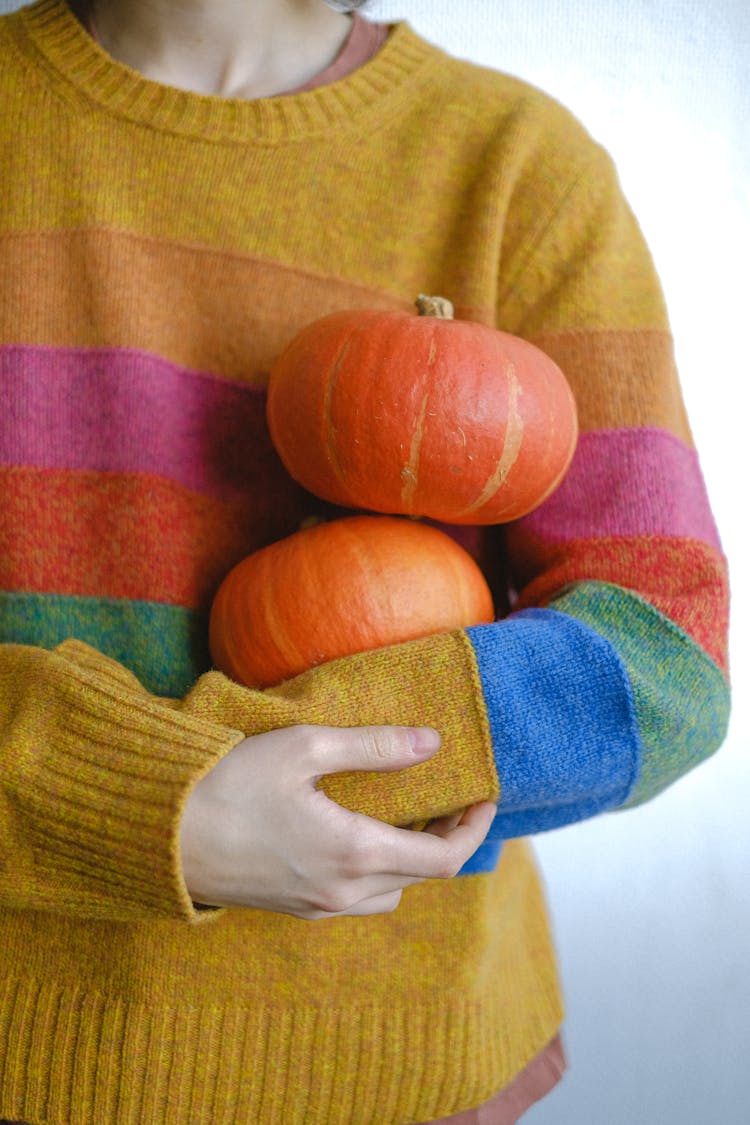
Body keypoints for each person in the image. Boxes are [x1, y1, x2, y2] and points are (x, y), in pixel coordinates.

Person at [0, 0, 730, 1122]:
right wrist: (155, 806)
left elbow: (667, 658)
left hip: (406, 1068)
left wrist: (306, 772)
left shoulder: (515, 165)